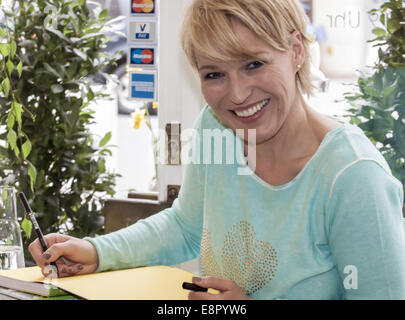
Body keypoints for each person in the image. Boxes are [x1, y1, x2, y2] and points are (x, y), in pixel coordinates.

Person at [29, 0, 405, 300]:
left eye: (254, 64)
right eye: (214, 74)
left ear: (295, 51)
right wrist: (97, 252)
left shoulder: (353, 176)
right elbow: (187, 226)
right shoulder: (218, 126)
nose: (238, 95)